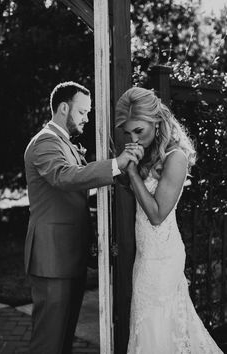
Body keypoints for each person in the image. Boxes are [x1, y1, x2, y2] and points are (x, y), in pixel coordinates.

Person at [24, 81, 141, 354]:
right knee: (48, 342)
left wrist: (129, 175)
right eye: (83, 112)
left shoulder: (63, 143)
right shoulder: (44, 143)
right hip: (51, 259)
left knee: (63, 340)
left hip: (68, 258)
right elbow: (65, 177)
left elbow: (83, 182)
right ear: (63, 108)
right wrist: (116, 163)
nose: (88, 118)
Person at [115, 87, 223, 354]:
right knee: (148, 325)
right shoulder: (149, 153)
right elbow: (138, 195)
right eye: (128, 133)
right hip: (146, 255)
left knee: (157, 327)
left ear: (157, 121)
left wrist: (131, 173)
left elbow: (156, 214)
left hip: (162, 258)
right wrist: (123, 169)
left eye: (139, 131)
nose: (133, 138)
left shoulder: (176, 158)